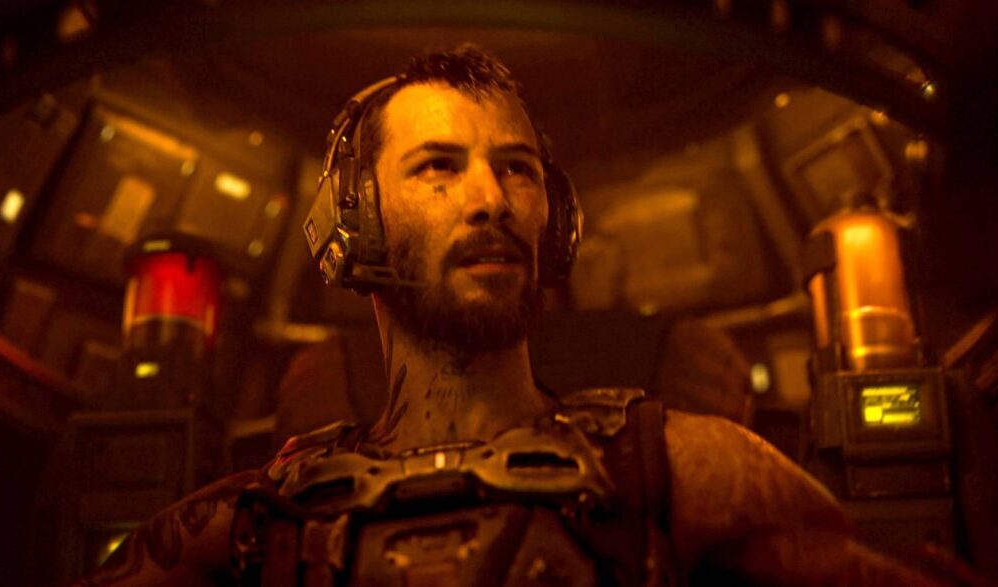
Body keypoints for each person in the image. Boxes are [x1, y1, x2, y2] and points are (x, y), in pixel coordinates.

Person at [79, 44, 952, 586]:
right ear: (356, 221)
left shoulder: (685, 467)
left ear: (555, 223)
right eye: (438, 166)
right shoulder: (261, 514)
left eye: (517, 169)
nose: (491, 198)